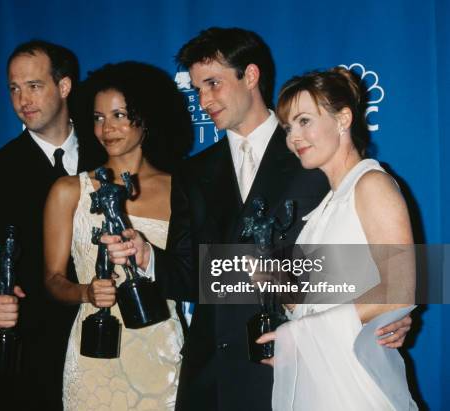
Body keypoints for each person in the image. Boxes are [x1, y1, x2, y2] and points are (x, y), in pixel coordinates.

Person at [104, 27, 413, 411]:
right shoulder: (192, 172)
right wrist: (148, 256)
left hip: (296, 365)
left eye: (213, 84)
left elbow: (380, 272)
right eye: (197, 89)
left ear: (250, 76)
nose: (204, 100)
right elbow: (195, 277)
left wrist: (383, 317)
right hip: (213, 372)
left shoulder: (317, 158)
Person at [255, 67, 417, 410]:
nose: (293, 137)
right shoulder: (324, 207)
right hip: (320, 376)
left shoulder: (372, 184)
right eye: (287, 127)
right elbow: (312, 303)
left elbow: (400, 288)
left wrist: (297, 336)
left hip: (356, 380)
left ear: (343, 119)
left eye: (303, 121)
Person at [43, 61, 193, 410]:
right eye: (97, 118)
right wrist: (86, 292)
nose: (106, 128)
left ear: (147, 116)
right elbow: (51, 279)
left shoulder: (181, 190)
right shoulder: (69, 190)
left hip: (162, 356)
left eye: (119, 115)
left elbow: (192, 274)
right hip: (95, 356)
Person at [0, 39, 99, 410]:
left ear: (63, 86)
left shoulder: (108, 154)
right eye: (14, 89)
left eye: (33, 86)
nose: (22, 100)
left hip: (110, 342)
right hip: (36, 355)